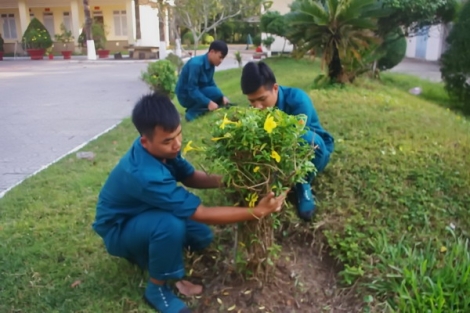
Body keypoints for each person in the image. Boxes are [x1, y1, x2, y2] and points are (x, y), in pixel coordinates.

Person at [92, 93, 287, 313]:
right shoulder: (145, 174)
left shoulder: (164, 149)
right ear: (145, 142)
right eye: (167, 141)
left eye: (178, 135)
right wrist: (257, 211)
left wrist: (231, 181)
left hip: (145, 211)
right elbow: (201, 212)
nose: (177, 145)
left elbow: (189, 176)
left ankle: (152, 252)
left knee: (201, 236)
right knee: (170, 225)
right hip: (119, 230)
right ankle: (157, 289)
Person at [240, 61, 334, 221]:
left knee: (305, 139)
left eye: (262, 99)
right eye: (251, 102)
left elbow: (291, 139)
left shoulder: (298, 100)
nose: (257, 107)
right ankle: (281, 182)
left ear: (275, 88)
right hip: (281, 153)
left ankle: (303, 184)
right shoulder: (257, 108)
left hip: (314, 149)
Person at [175, 40, 230, 122]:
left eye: (223, 58)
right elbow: (192, 89)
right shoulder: (196, 64)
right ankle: (191, 114)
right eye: (220, 57)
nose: (221, 61)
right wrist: (208, 102)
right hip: (185, 95)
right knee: (215, 94)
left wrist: (222, 96)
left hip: (196, 90)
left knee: (218, 95)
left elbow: (210, 82)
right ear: (212, 52)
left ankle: (201, 109)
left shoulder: (211, 64)